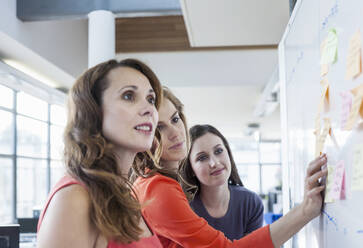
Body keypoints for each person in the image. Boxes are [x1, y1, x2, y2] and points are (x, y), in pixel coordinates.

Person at [133, 87, 328, 247]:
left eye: (175, 120)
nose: (176, 133)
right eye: (160, 127)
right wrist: (305, 210)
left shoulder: (151, 183)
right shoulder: (159, 190)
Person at [36, 59, 164, 248]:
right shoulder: (75, 199)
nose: (149, 110)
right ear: (93, 111)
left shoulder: (124, 195)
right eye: (129, 96)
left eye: (150, 99)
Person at [181, 124, 263, 240]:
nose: (214, 163)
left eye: (219, 151)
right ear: (191, 169)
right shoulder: (183, 208)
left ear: (228, 153)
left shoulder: (251, 203)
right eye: (202, 158)